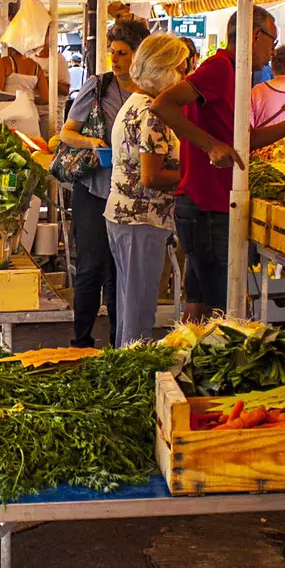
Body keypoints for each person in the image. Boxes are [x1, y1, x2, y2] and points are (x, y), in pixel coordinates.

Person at [152, 6, 285, 321]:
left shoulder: (234, 74)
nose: (273, 50)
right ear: (256, 35)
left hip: (209, 204)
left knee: (199, 305)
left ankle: (191, 362)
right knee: (227, 309)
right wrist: (210, 145)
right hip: (207, 207)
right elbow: (162, 104)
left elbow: (245, 142)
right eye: (272, 41)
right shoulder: (220, 68)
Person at [59, 19, 146, 347]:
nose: (115, 58)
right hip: (94, 190)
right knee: (90, 267)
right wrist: (92, 144)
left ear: (138, 55)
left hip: (129, 194)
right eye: (113, 52)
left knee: (118, 272)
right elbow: (68, 132)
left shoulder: (150, 92)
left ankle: (118, 343)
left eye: (122, 52)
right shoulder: (98, 86)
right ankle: (80, 341)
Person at [108, 34, 191, 346]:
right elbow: (151, 175)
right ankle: (135, 377)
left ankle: (123, 366)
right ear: (163, 70)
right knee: (139, 312)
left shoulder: (135, 103)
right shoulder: (151, 113)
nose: (184, 78)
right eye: (180, 70)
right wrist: (191, 174)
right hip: (140, 219)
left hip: (127, 217)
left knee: (131, 305)